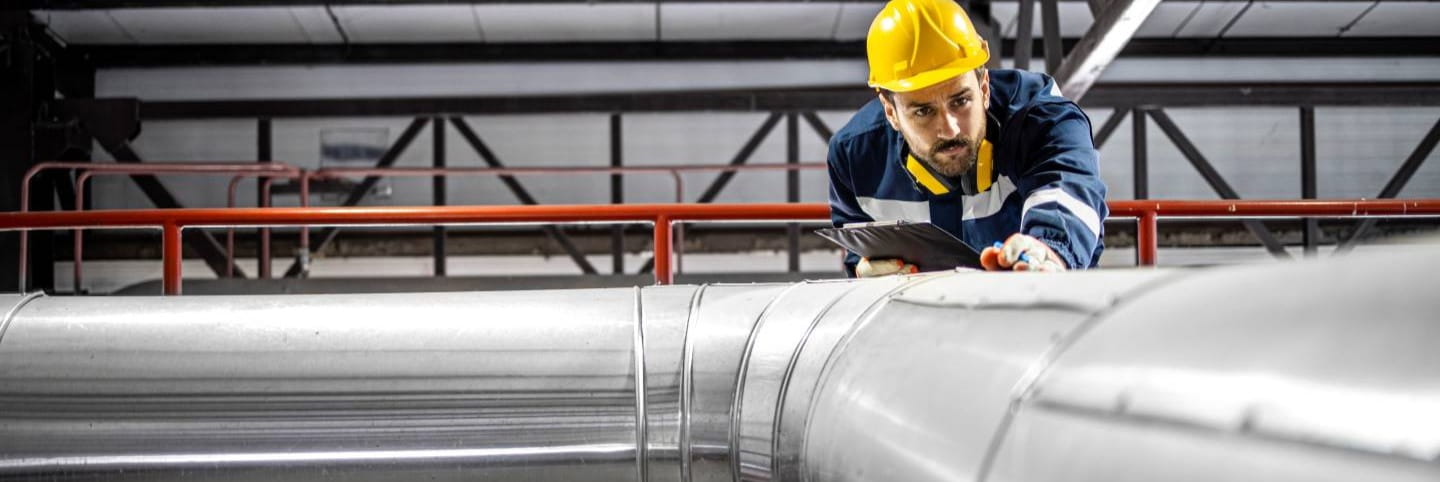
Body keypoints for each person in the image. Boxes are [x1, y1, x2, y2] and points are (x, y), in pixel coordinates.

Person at [828, 0, 1108, 277]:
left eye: (961, 101)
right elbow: (861, 250)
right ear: (891, 112)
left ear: (984, 88)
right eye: (924, 111)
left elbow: (1067, 194)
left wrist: (1048, 252)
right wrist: (863, 272)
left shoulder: (1044, 122)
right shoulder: (855, 158)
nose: (949, 129)